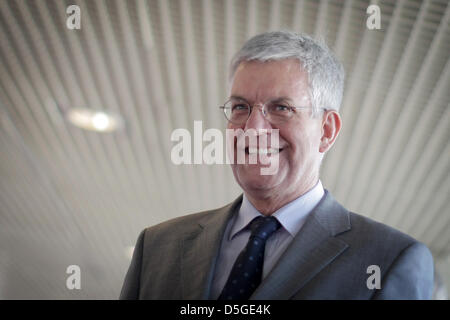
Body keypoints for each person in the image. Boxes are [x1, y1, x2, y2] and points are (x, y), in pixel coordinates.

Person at [120, 31, 434, 300]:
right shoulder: (157, 248)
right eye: (240, 107)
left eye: (281, 108)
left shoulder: (388, 260)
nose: (253, 129)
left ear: (326, 131)